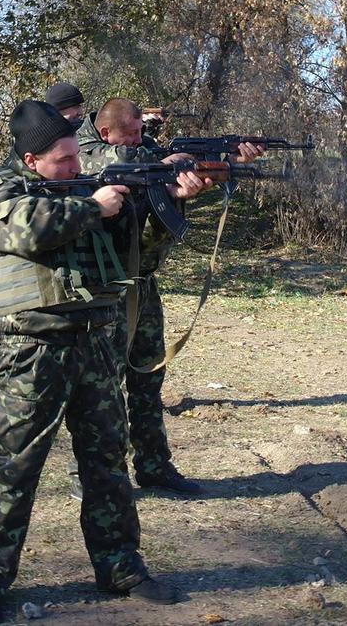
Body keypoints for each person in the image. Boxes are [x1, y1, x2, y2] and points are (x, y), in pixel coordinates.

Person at [0, 99, 190, 625]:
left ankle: (121, 566)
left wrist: (168, 200)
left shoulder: (84, 190)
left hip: (95, 345)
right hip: (33, 352)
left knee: (107, 463)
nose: (75, 166)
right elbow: (30, 228)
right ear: (31, 158)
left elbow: (138, 256)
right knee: (15, 467)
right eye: (63, 159)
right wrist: (95, 204)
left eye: (75, 156)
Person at [75, 97, 263, 496]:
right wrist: (166, 166)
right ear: (107, 132)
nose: (140, 140)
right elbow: (113, 166)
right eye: (132, 133)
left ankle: (154, 464)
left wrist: (222, 162)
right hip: (106, 289)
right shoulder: (84, 153)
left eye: (142, 132)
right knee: (104, 387)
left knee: (148, 374)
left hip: (142, 282)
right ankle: (102, 476)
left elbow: (158, 173)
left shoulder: (143, 153)